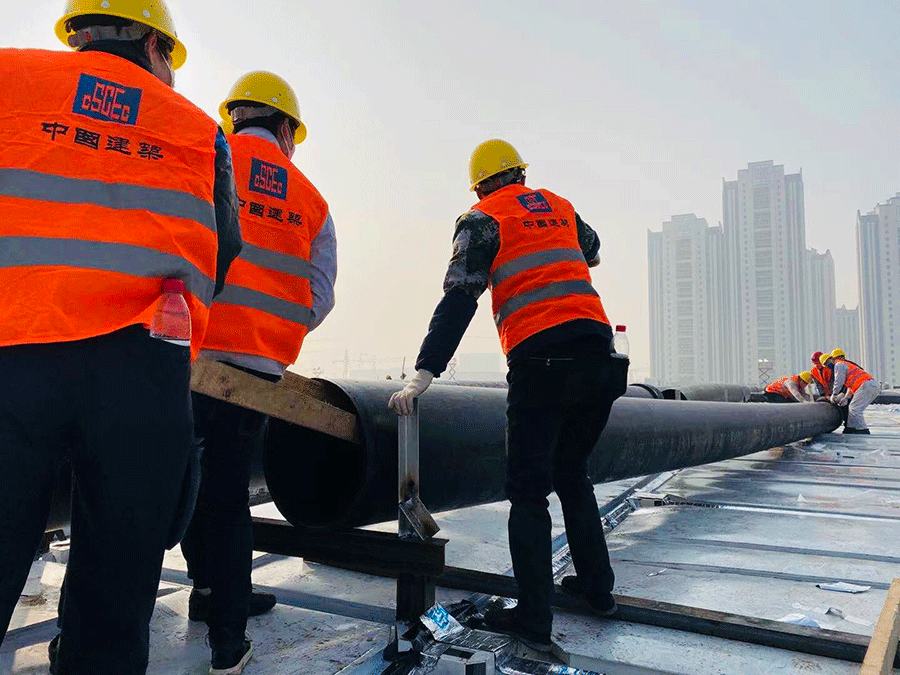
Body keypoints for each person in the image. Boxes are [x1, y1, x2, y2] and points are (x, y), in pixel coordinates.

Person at [0, 1, 242, 673]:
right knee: (116, 587)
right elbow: (224, 247)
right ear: (154, 45)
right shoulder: (198, 131)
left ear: (78, 34)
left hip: (12, 346)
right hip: (139, 361)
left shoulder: (10, 81)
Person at [388, 139, 626, 652]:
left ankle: (534, 619)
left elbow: (461, 294)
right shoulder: (558, 205)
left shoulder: (482, 219)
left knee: (528, 490)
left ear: (480, 186)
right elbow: (594, 251)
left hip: (542, 361)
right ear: (520, 174)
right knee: (572, 474)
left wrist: (425, 371)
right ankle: (598, 591)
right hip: (601, 357)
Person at [179, 71, 337, 674]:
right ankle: (228, 639)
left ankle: (204, 590)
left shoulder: (202, 153)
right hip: (255, 370)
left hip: (185, 352)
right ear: (286, 128)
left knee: (171, 478)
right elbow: (321, 291)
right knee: (227, 492)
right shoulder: (311, 200)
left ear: (233, 117)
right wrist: (274, 336)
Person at [827, 348, 879, 434]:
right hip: (869, 385)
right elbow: (851, 386)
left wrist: (834, 394)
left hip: (865, 386)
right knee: (853, 407)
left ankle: (863, 430)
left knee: (855, 408)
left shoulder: (839, 365)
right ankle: (851, 427)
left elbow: (839, 381)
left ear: (833, 358)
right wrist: (846, 397)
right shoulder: (847, 365)